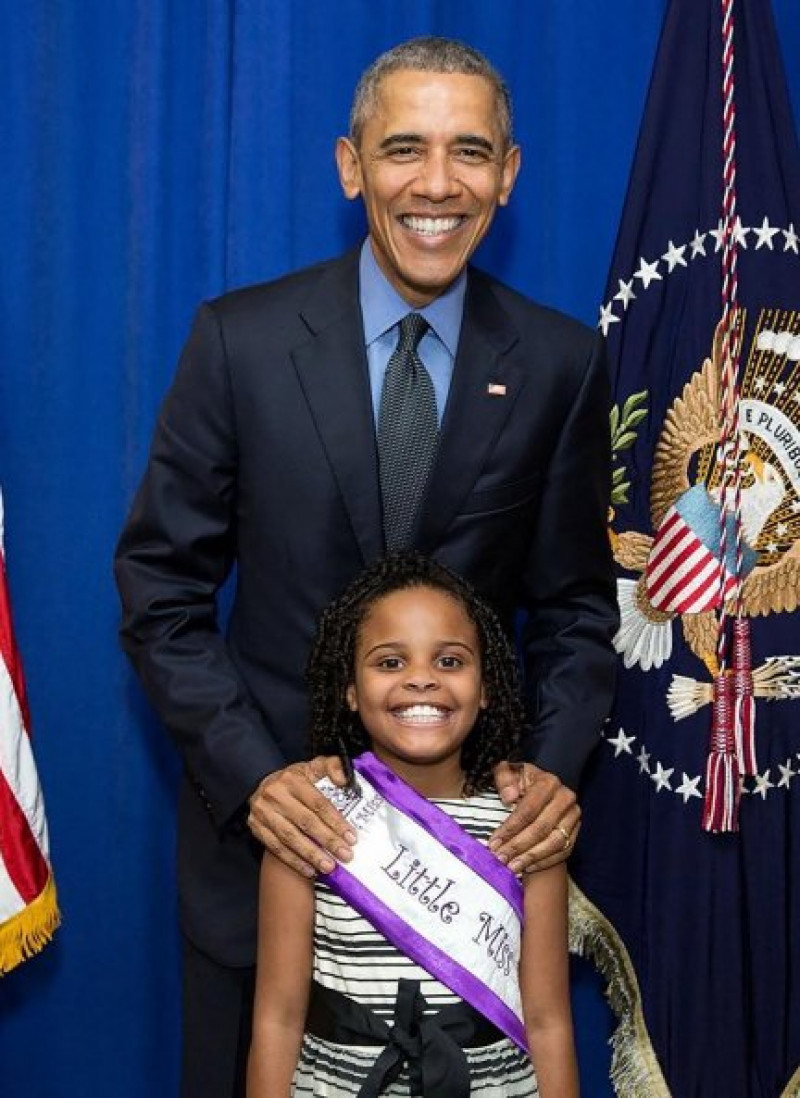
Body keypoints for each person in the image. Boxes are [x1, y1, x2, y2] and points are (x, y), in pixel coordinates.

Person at [114, 35, 616, 1098]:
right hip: (270, 874)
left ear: (508, 174)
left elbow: (574, 609)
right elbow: (160, 593)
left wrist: (551, 778)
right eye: (403, 150)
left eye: (469, 152)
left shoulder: (561, 365)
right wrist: (258, 779)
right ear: (350, 166)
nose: (436, 185)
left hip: (477, 888)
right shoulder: (237, 343)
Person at [248, 553, 578, 1098]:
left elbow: (548, 1022)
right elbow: (277, 1018)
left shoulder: (527, 824)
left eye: (450, 661)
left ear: (487, 685)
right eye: (390, 663)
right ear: (350, 689)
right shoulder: (308, 817)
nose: (421, 679)